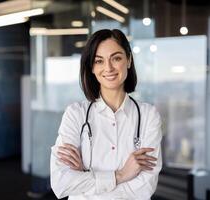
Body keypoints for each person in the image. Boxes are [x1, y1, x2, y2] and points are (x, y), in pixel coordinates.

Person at [50, 29, 162, 200]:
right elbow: (61, 182)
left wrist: (85, 177)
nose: (108, 68)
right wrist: (121, 175)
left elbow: (145, 188)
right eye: (99, 61)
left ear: (129, 60)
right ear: (92, 68)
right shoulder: (75, 115)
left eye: (116, 58)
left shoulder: (148, 115)